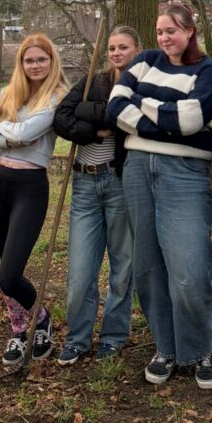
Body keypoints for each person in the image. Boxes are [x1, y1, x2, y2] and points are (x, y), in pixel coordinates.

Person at [107, 2, 212, 389]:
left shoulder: (208, 71)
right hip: (137, 170)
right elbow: (114, 106)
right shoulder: (145, 61)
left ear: (190, 31)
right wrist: (166, 117)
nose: (164, 38)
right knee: (148, 267)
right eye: (159, 32)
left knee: (189, 271)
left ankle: (200, 349)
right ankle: (166, 349)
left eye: (171, 30)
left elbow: (192, 120)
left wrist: (141, 105)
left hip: (185, 173)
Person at [0, 33, 67, 367]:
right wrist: (7, 139)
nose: (35, 65)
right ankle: (19, 330)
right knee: (4, 267)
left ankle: (41, 319)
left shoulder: (56, 97)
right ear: (21, 64)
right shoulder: (9, 94)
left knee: (9, 276)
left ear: (51, 62)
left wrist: (3, 130)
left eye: (41, 59)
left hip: (29, 187)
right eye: (29, 60)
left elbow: (26, 133)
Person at [53, 26, 143, 365]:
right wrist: (94, 132)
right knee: (79, 273)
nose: (116, 53)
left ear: (137, 50)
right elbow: (62, 117)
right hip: (84, 184)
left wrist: (90, 111)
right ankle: (77, 339)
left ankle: (113, 337)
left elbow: (120, 119)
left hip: (118, 182)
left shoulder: (141, 84)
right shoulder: (93, 79)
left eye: (123, 47)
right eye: (112, 48)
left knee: (122, 266)